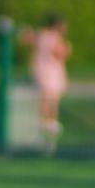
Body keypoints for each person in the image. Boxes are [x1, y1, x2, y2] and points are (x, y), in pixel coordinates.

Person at [23, 14, 70, 150]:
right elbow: (59, 53)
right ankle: (48, 140)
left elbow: (28, 39)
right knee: (50, 108)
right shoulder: (53, 38)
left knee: (43, 106)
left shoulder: (41, 35)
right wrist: (67, 49)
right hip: (51, 76)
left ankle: (42, 136)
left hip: (41, 75)